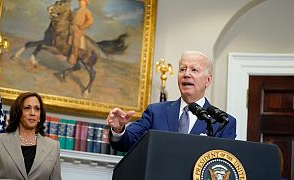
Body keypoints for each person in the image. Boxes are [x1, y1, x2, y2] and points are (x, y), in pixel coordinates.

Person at [106, 51, 237, 152]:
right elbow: (127, 142)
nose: (186, 74)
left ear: (208, 80)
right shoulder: (155, 112)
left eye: (194, 70)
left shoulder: (223, 121)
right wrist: (118, 129)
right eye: (182, 69)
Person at [0, 92, 61, 180]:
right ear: (18, 113)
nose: (33, 113)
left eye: (37, 109)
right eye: (27, 108)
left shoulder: (53, 146)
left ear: (40, 115)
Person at [67, 0, 94, 66]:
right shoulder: (75, 10)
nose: (80, 2)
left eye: (82, 1)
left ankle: (74, 58)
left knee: (75, 41)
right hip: (71, 27)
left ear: (85, 3)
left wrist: (82, 27)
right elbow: (71, 17)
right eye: (79, 1)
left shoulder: (87, 11)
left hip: (79, 29)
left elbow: (90, 21)